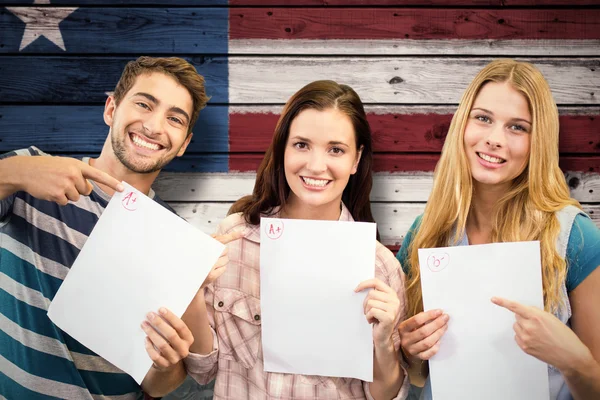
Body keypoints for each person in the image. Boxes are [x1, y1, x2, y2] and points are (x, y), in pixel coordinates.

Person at [0, 56, 230, 399]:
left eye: (174, 118)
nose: (154, 126)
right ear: (111, 109)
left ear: (183, 144)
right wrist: (17, 172)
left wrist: (165, 365)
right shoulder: (29, 173)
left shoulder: (181, 243)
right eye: (143, 104)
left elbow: (157, 386)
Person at [181, 80, 410, 399]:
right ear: (282, 149)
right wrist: (191, 286)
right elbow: (202, 370)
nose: (316, 166)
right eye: (302, 144)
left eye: (336, 149)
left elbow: (383, 395)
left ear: (356, 160)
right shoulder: (234, 239)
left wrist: (384, 343)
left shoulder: (381, 268)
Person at [396, 59, 600, 400]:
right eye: (483, 118)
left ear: (540, 142)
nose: (494, 139)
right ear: (464, 123)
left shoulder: (574, 238)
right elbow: (412, 376)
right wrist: (411, 349)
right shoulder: (426, 230)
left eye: (517, 127)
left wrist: (573, 359)